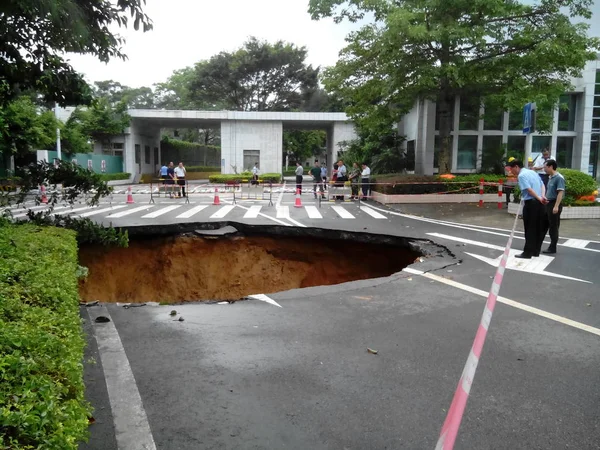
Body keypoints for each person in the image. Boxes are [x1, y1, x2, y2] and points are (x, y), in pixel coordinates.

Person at [507, 159, 548, 259]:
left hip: (531, 203)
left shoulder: (521, 176)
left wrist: (539, 198)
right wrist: (542, 196)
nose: (511, 171)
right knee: (538, 228)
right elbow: (542, 184)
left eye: (511, 169)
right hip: (540, 204)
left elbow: (529, 190)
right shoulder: (532, 172)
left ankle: (527, 252)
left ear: (516, 167)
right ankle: (535, 251)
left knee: (529, 228)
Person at [540, 159, 565, 254]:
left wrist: (556, 206)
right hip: (548, 203)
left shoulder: (559, 178)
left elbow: (560, 192)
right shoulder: (550, 177)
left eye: (545, 167)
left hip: (554, 204)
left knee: (553, 226)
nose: (544, 169)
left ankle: (553, 247)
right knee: (545, 224)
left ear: (550, 167)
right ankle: (539, 244)